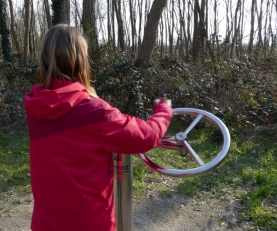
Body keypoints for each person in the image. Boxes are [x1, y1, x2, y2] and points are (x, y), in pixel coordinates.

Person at [24, 24, 173, 231]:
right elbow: (145, 136)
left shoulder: (35, 107)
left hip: (47, 223)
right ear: (82, 61)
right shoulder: (94, 112)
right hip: (89, 224)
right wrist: (163, 110)